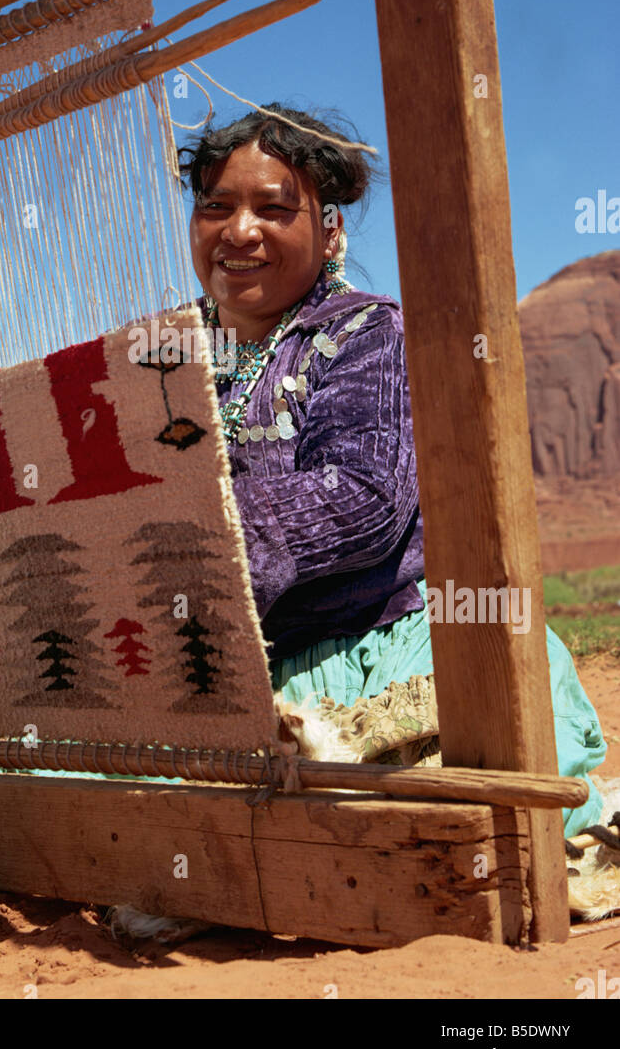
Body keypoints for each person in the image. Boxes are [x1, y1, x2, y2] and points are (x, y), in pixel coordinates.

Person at [178, 102, 607, 839]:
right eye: (215, 207)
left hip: (363, 655)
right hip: (219, 666)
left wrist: (184, 536)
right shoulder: (170, 349)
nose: (238, 231)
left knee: (444, 822)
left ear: (330, 229)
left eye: (273, 209)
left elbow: (362, 500)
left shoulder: (366, 333)